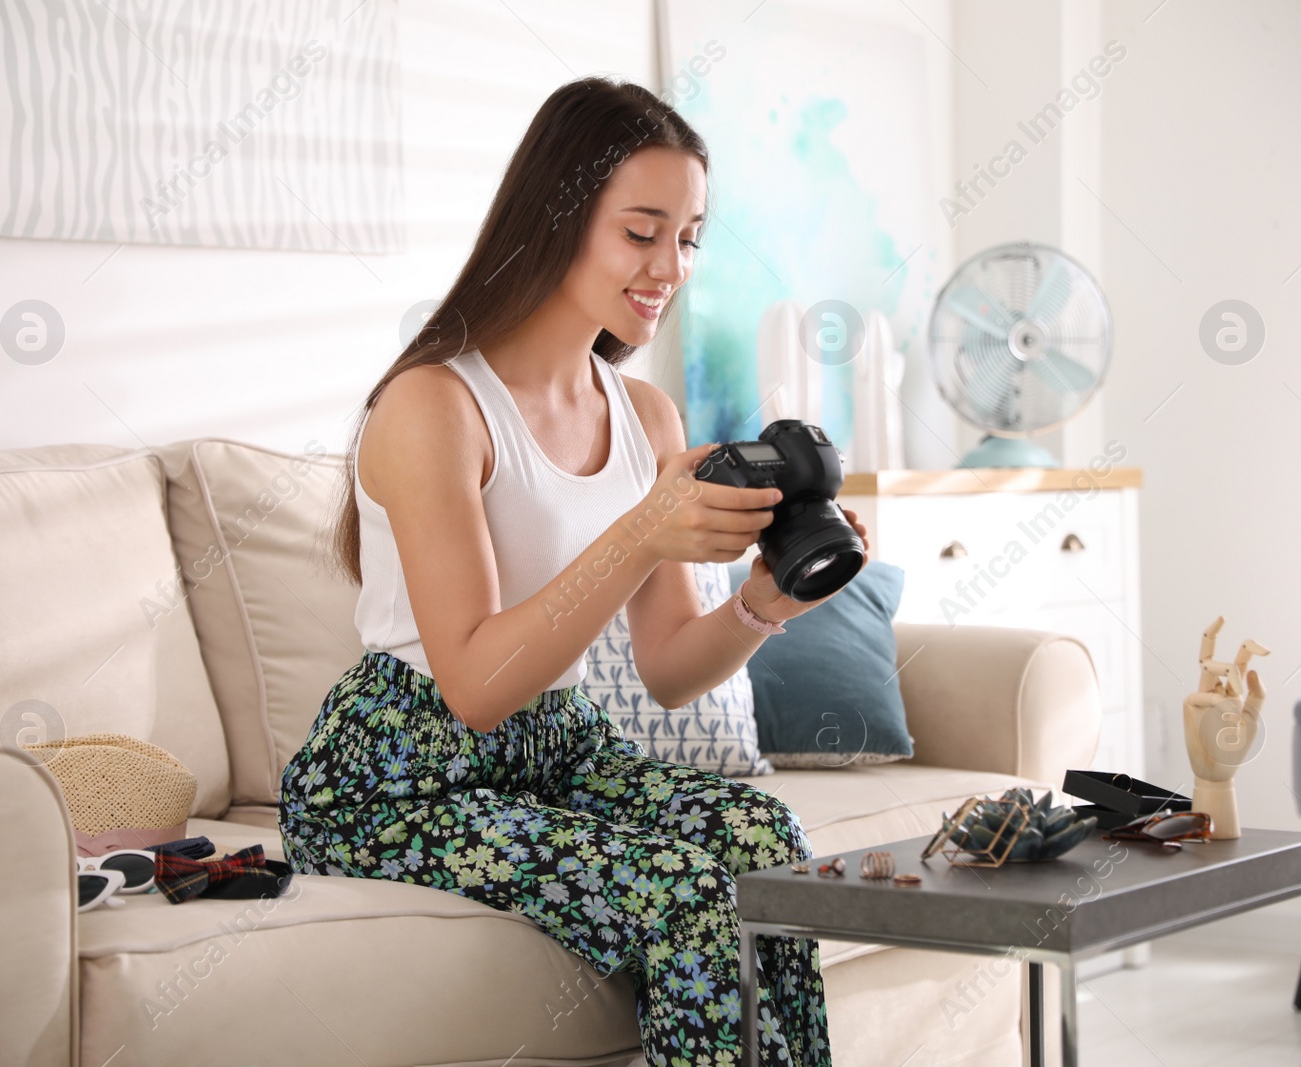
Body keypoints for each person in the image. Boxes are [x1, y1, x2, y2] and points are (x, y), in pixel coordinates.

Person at [278, 75, 869, 1067]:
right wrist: (645, 528)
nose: (669, 265)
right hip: (397, 774)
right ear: (560, 217)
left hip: (558, 745)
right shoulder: (434, 406)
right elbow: (470, 683)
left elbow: (670, 666)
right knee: (684, 894)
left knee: (761, 836)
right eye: (641, 232)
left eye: (687, 236)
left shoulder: (642, 416)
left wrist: (765, 602)